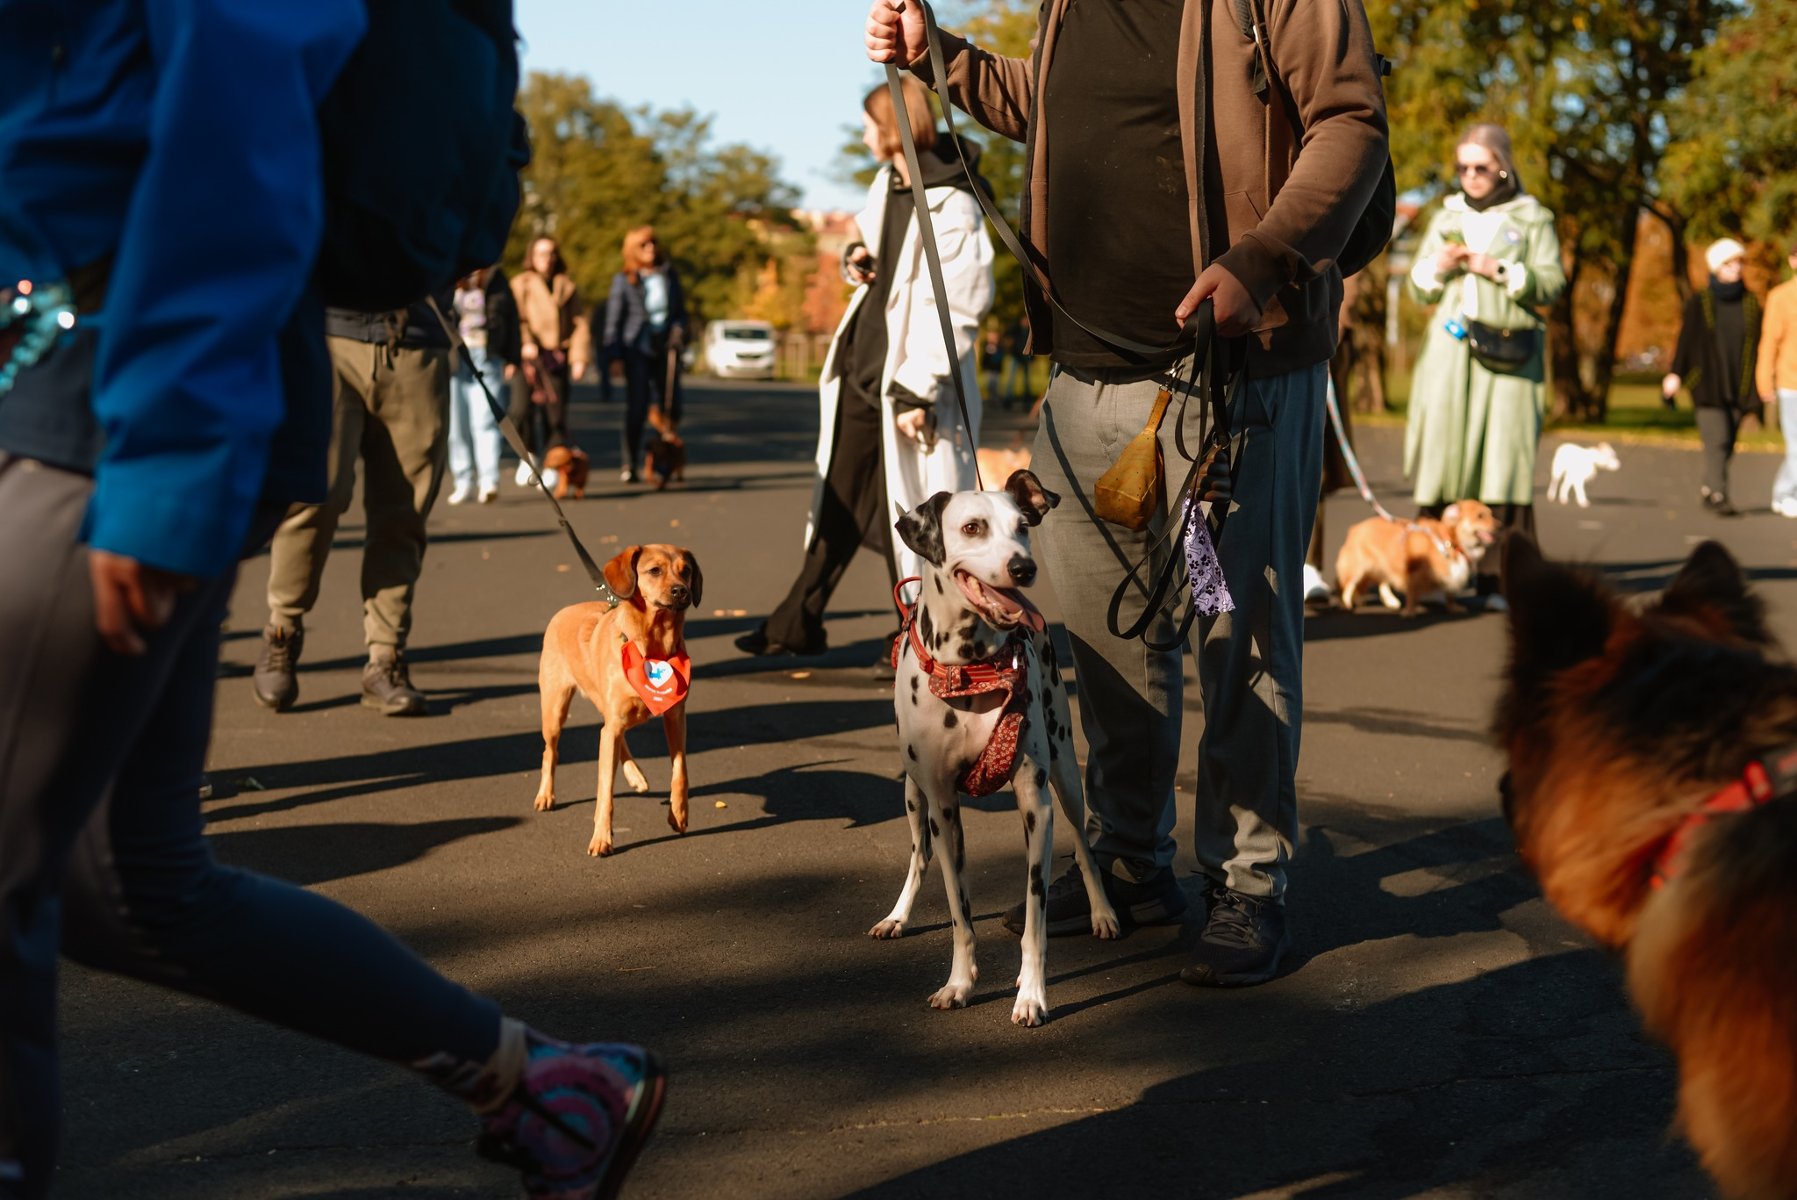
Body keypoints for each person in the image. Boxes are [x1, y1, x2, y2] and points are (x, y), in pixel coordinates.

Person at [0, 6, 662, 1198]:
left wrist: (169, 451)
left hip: (100, 404)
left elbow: (238, 102)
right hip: (93, 394)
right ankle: (549, 1088)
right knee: (128, 883)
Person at [866, 0, 1388, 986]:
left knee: (1233, 633)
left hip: (1230, 383)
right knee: (1106, 643)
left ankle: (1246, 882)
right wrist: (945, 59)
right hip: (1087, 378)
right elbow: (1054, 102)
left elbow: (1350, 119)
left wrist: (1263, 257)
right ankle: (1131, 863)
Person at [735, 78, 995, 657]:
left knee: (911, 515)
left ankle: (920, 638)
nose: (862, 136)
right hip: (862, 372)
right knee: (840, 499)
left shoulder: (954, 204)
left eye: (868, 125)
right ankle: (797, 621)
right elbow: (875, 258)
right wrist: (856, 261)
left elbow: (960, 303)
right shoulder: (888, 184)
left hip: (907, 386)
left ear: (894, 126)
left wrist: (917, 387)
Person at [251, 298, 453, 717]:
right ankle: (282, 629)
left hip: (417, 340)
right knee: (314, 492)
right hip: (328, 332)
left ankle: (385, 657)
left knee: (404, 512)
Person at [1403, 124, 1565, 590]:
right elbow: (1417, 289)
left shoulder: (1532, 218)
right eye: (1462, 168)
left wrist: (1498, 269)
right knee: (1444, 451)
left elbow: (1552, 283)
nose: (1470, 176)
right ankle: (1434, 570)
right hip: (1449, 352)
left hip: (1511, 354)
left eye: (1480, 167)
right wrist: (1438, 266)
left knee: (1504, 456)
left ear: (1503, 167)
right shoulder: (1445, 217)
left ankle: (1501, 579)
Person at [1665, 238, 1762, 516]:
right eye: (1730, 263)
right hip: (1708, 384)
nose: (1736, 268)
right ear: (1718, 267)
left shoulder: (1750, 303)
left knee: (1728, 443)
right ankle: (1719, 495)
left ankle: (1709, 486)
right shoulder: (1701, 301)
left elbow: (1759, 343)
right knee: (1716, 439)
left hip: (1739, 384)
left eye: (1739, 263)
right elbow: (1686, 340)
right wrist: (1675, 374)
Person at [603, 226, 690, 483]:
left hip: (665, 347)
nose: (651, 248)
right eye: (644, 244)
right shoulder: (624, 279)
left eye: (653, 243)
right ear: (633, 249)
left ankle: (665, 458)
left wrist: (678, 331)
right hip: (636, 348)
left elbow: (680, 312)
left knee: (671, 405)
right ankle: (630, 462)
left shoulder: (668, 275)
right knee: (638, 407)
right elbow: (613, 320)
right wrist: (614, 356)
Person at [510, 236, 591, 485]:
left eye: (551, 253)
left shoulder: (566, 285)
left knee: (555, 416)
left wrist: (579, 358)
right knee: (519, 411)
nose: (547, 259)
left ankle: (552, 462)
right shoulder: (520, 284)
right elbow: (515, 318)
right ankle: (528, 455)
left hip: (555, 357)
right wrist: (526, 342)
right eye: (542, 254)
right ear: (532, 257)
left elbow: (579, 323)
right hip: (528, 358)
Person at [446, 265, 523, 505]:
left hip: (487, 356)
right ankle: (463, 480)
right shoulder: (448, 271)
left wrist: (513, 357)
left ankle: (488, 480)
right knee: (457, 424)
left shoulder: (496, 278)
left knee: (486, 420)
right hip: (455, 358)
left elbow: (511, 319)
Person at [1761, 240, 1797, 517]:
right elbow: (1769, 342)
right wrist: (1765, 380)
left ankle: (1783, 490)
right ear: (1792, 261)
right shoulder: (1781, 297)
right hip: (1791, 382)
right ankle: (1786, 494)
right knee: (1796, 443)